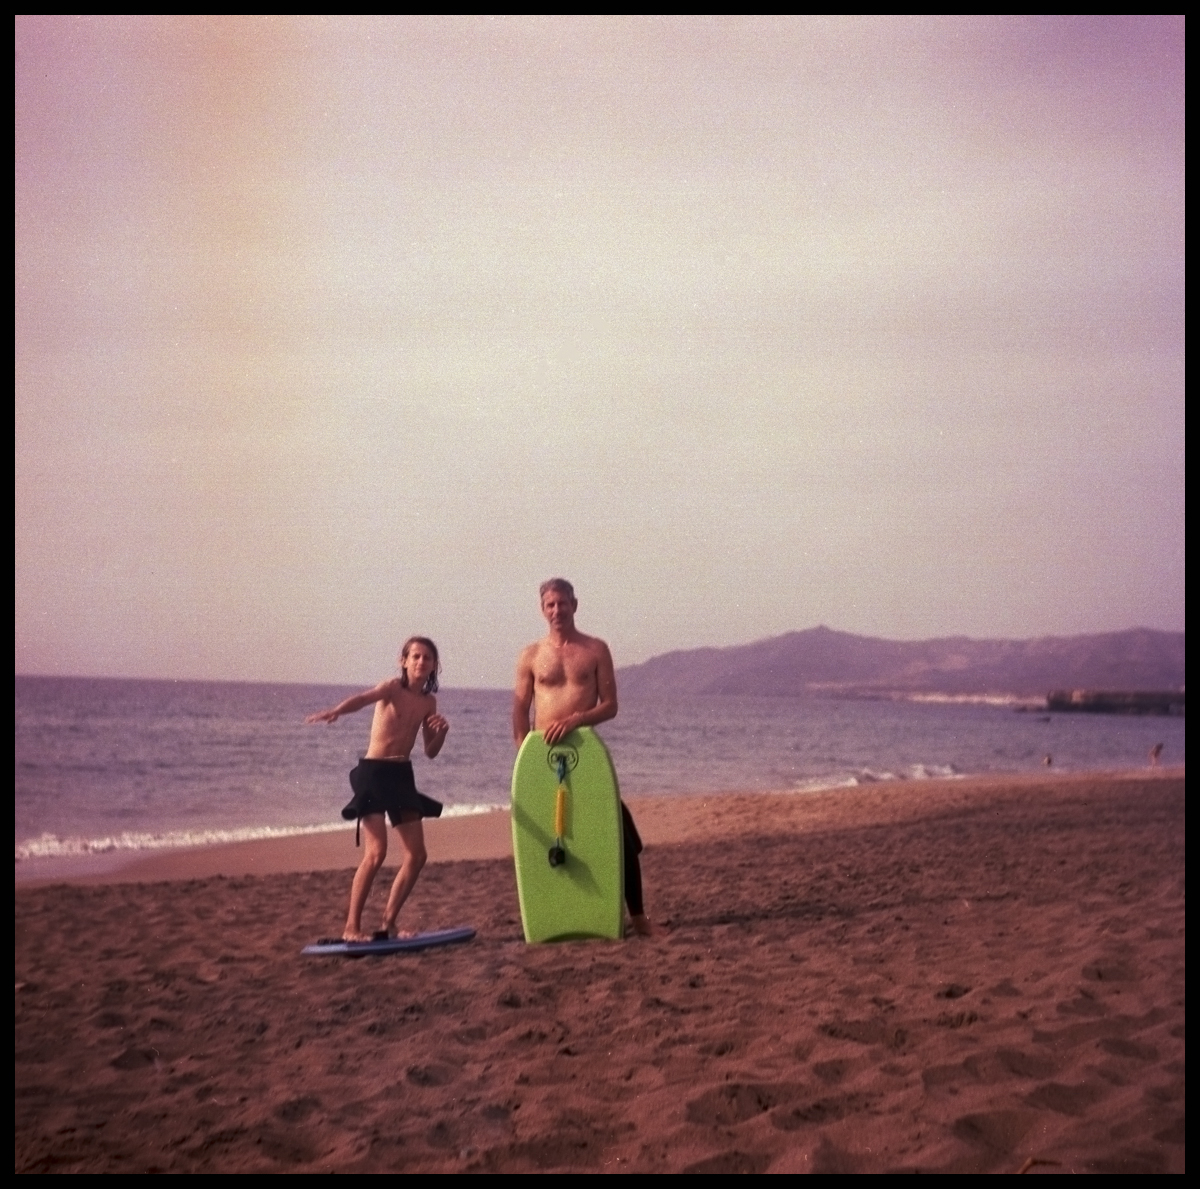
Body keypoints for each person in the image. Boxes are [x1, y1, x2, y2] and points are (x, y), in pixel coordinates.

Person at [513, 578, 653, 937]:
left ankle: (638, 920)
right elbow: (519, 708)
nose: (557, 610)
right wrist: (524, 759)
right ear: (542, 609)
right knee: (548, 838)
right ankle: (554, 918)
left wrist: (576, 720)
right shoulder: (531, 655)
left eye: (563, 603)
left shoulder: (595, 650)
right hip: (543, 759)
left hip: (583, 755)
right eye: (550, 605)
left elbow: (610, 706)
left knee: (621, 835)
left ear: (575, 604)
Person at [306, 637, 449, 941]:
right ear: (404, 661)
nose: (421, 662)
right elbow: (362, 698)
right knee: (376, 853)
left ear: (434, 665)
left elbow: (430, 751)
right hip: (373, 772)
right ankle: (351, 928)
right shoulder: (391, 688)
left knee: (417, 855)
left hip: (401, 775)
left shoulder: (428, 703)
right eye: (415, 656)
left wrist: (442, 734)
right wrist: (337, 711)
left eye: (427, 658)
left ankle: (389, 923)